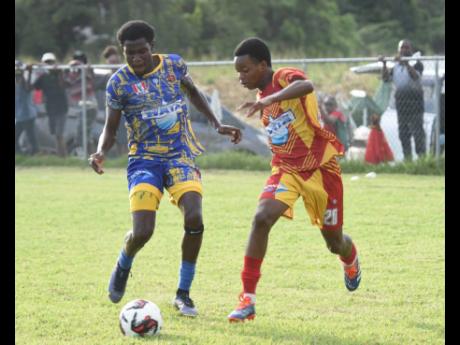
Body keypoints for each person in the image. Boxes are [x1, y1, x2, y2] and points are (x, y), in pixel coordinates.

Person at [88, 20, 242, 317]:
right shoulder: (118, 83)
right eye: (129, 53)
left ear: (152, 48)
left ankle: (183, 294)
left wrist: (216, 123)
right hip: (143, 160)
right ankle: (124, 262)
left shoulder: (173, 65)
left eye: (141, 51)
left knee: (195, 217)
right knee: (143, 232)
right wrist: (100, 151)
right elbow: (110, 127)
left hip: (180, 156)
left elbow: (193, 92)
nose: (135, 58)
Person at [227, 38, 361, 322]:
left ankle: (349, 258)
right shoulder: (262, 97)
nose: (241, 76)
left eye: (245, 70)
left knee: (334, 242)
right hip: (286, 170)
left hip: (321, 171)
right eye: (238, 71)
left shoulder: (282, 77)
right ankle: (247, 299)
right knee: (261, 218)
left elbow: (307, 85)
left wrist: (271, 98)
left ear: (263, 65)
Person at [380, 40, 425, 161]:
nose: (404, 50)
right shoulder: (395, 66)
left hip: (415, 102)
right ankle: (407, 158)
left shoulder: (416, 63)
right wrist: (384, 64)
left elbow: (415, 77)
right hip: (401, 102)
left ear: (411, 49)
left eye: (407, 48)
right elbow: (385, 79)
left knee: (418, 133)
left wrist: (406, 63)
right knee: (403, 133)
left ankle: (422, 159)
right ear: (398, 50)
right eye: (402, 48)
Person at [33, 52, 69, 157]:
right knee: (55, 134)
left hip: (61, 108)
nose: (48, 64)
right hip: (50, 109)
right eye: (46, 62)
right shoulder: (43, 77)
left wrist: (59, 72)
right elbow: (35, 87)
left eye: (50, 62)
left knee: (59, 134)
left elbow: (64, 85)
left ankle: (63, 157)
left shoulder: (60, 73)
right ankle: (60, 157)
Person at [15, 60, 39, 155]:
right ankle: (21, 154)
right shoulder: (17, 82)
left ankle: (35, 154)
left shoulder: (23, 81)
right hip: (20, 116)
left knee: (31, 138)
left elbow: (28, 88)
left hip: (27, 115)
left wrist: (28, 72)